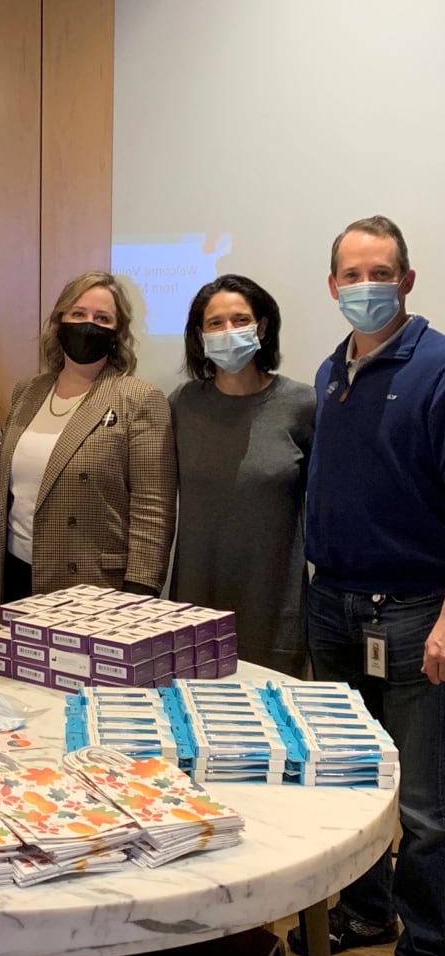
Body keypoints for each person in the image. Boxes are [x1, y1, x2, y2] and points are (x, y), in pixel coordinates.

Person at [288, 215, 445, 956]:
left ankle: (428, 952)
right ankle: (363, 911)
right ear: (331, 285)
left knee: (424, 809)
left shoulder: (439, 367)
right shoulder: (329, 374)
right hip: (334, 605)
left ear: (408, 280)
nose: (365, 286)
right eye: (351, 275)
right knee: (348, 780)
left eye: (380, 272)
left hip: (418, 614)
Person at [0, 270, 176, 602]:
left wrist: (139, 592)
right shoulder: (28, 391)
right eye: (78, 314)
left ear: (116, 334)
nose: (88, 325)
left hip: (93, 586)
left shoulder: (139, 399)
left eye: (102, 318)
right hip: (17, 573)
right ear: (60, 321)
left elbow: (153, 507)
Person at [169, 274, 314, 677]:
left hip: (274, 610)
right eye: (215, 323)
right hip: (195, 610)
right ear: (199, 336)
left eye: (240, 319)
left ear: (262, 327)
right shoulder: (182, 405)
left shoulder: (302, 404)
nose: (228, 331)